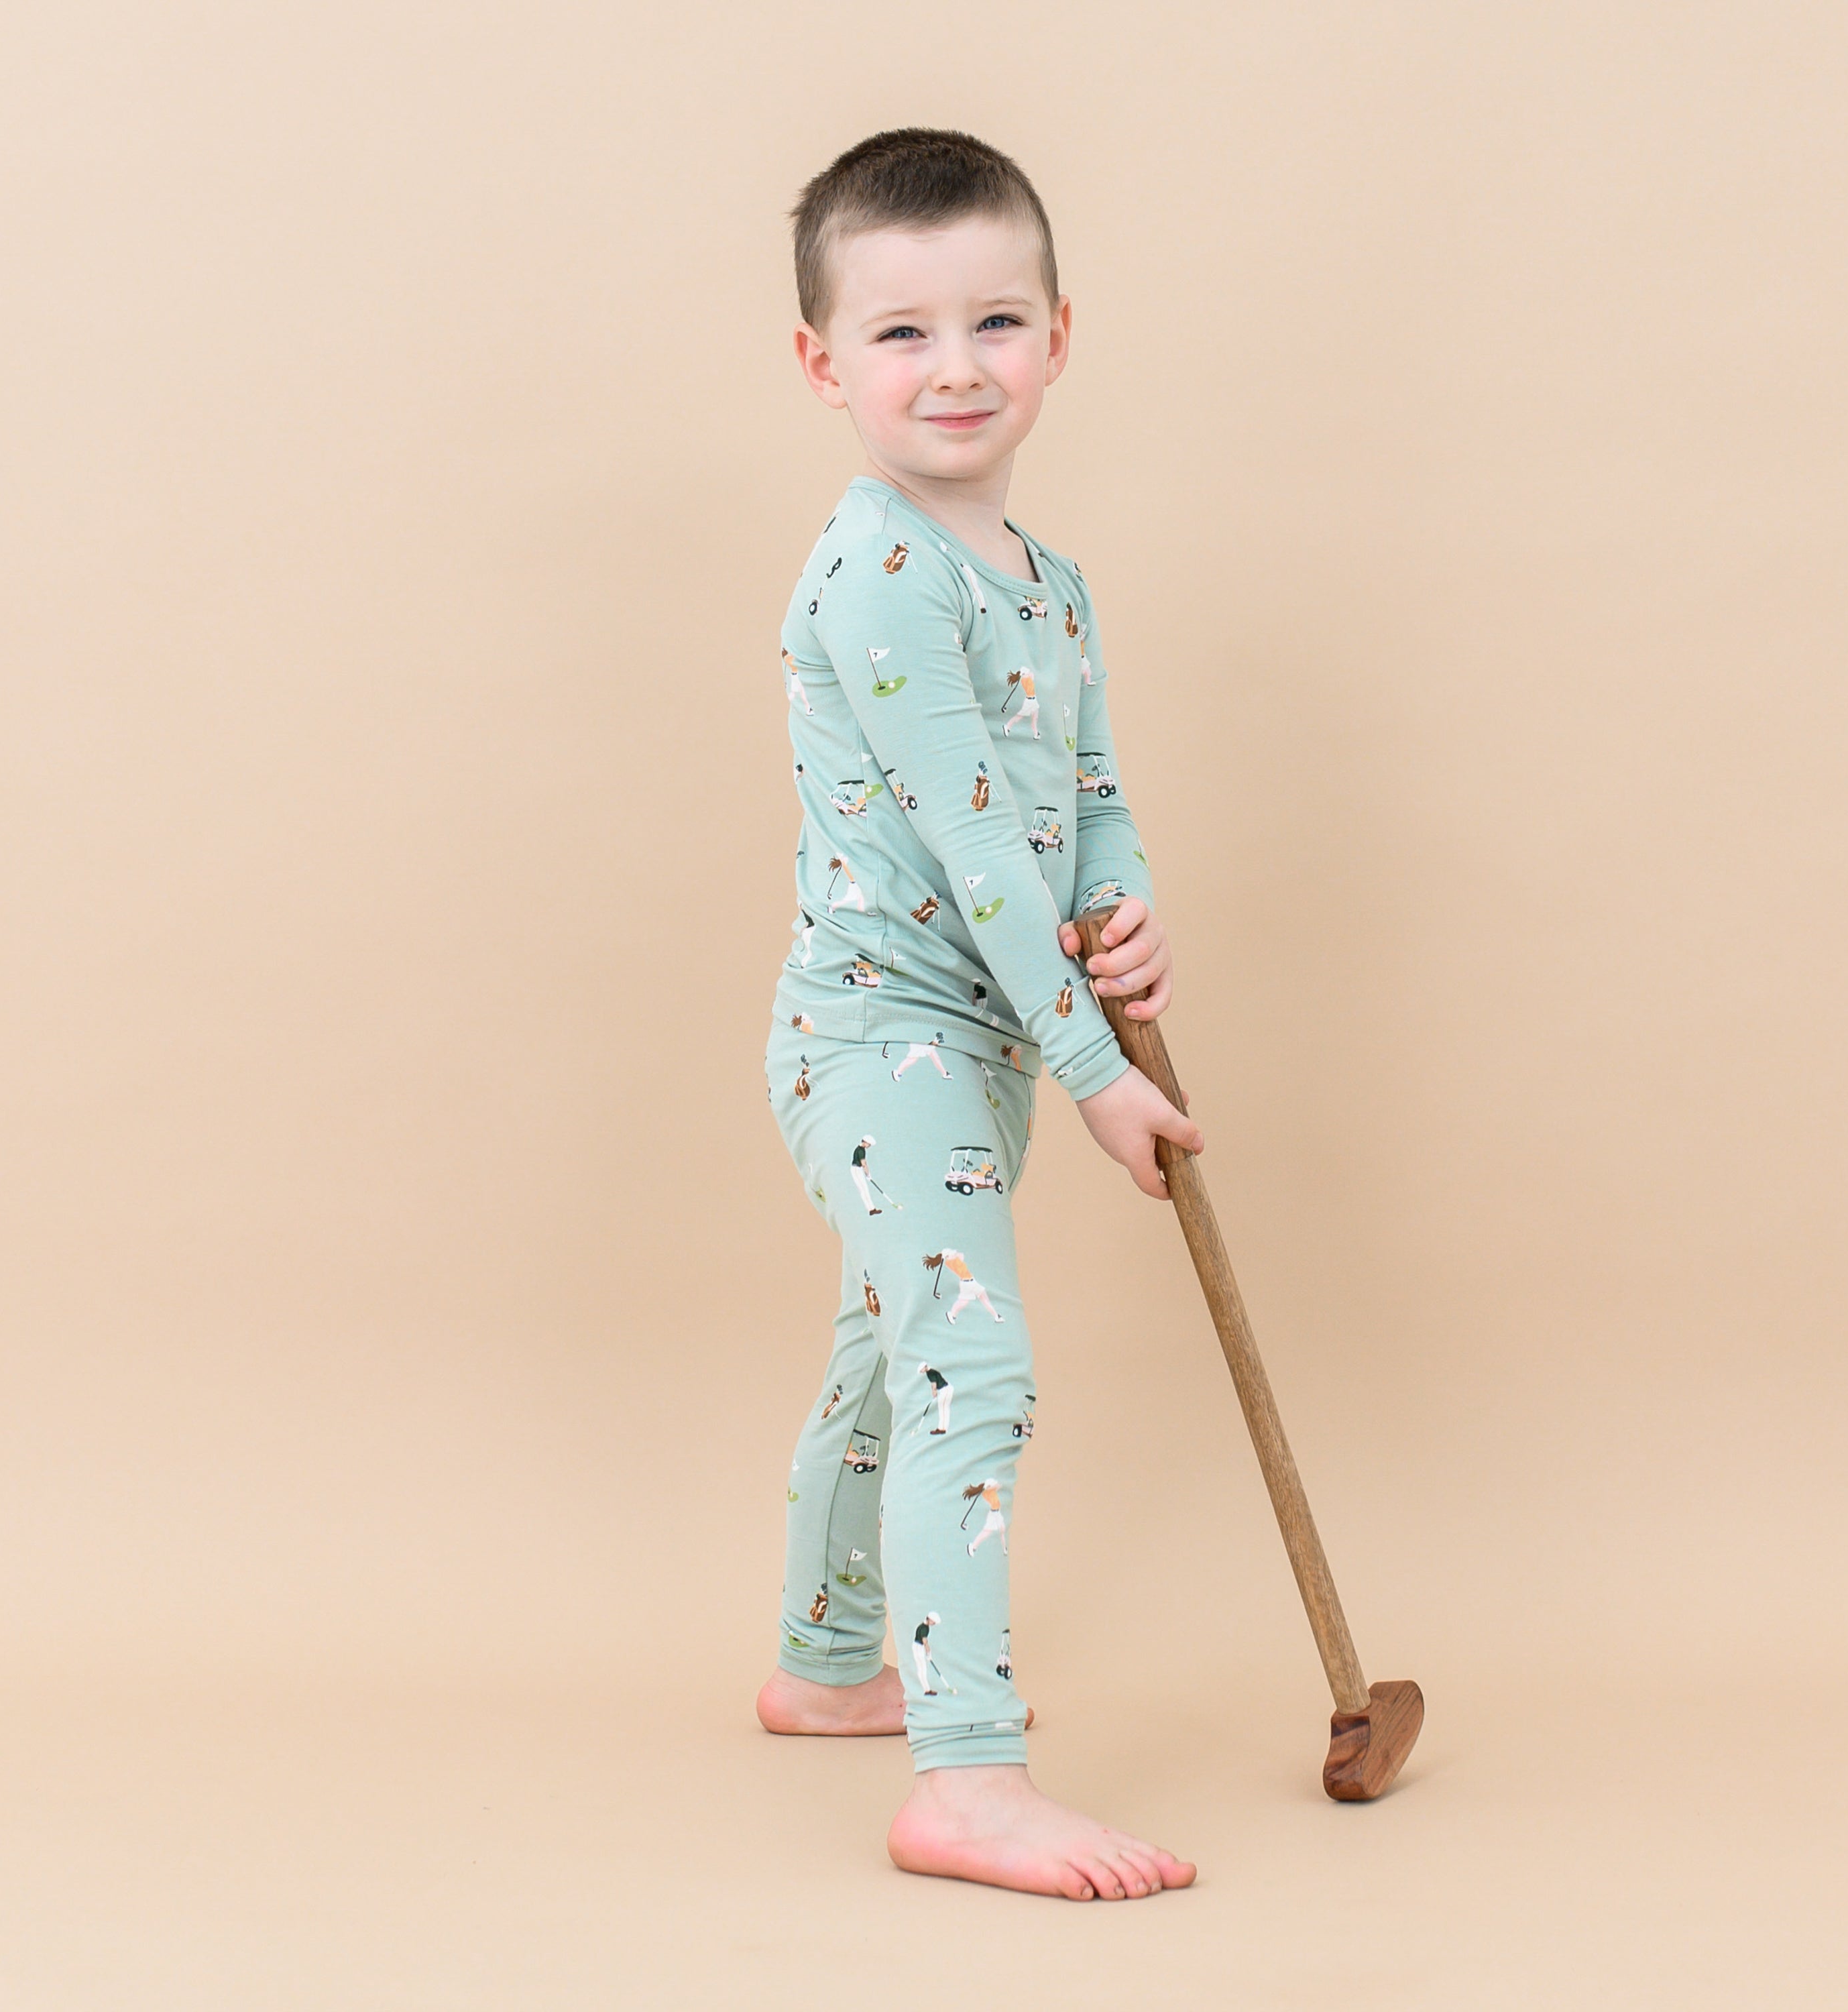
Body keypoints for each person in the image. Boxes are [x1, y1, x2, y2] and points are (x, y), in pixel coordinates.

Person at [754, 127, 1204, 1904]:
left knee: (890, 1345)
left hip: (983, 1033)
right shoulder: (875, 577)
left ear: (1059, 338)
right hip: (880, 1037)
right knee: (973, 1368)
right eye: (902, 333)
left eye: (995, 321)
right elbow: (967, 843)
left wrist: (1133, 901)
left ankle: (826, 1660)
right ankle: (970, 1774)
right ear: (824, 364)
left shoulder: (1048, 581)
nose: (957, 367)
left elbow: (1078, 801)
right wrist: (1092, 1068)